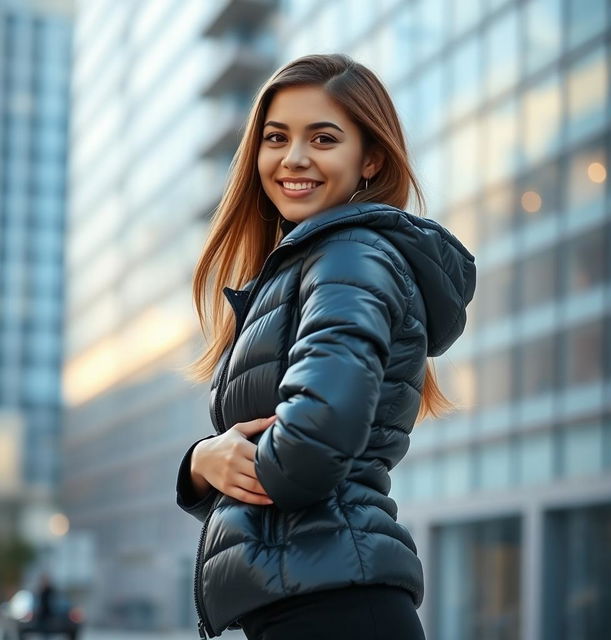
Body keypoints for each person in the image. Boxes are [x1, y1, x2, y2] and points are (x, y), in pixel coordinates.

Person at [175, 53, 476, 639]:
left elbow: (314, 439)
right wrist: (201, 462)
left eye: (323, 137)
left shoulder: (350, 255)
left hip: (331, 607)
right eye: (276, 137)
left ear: (371, 158)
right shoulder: (311, 263)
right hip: (315, 597)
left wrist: (234, 460)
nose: (293, 158)